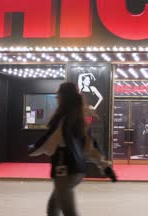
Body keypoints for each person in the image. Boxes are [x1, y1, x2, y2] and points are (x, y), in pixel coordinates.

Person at [28, 82, 116, 216]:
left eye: (58, 94)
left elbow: (48, 142)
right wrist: (105, 167)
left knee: (68, 212)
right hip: (76, 171)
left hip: (65, 170)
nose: (56, 97)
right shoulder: (79, 119)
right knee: (53, 208)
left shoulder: (62, 120)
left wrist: (32, 149)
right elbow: (91, 148)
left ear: (64, 97)